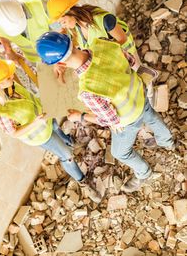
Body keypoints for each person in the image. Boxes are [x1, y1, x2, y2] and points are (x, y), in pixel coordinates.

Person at [36, 32, 175, 193]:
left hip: (129, 117)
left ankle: (144, 173)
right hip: (139, 93)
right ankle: (168, 142)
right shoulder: (102, 44)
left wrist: (79, 116)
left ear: (60, 63)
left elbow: (109, 119)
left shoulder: (88, 90)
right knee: (151, 117)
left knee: (120, 152)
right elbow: (130, 61)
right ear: (71, 42)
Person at [0, 57, 100, 203]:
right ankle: (83, 181)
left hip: (45, 118)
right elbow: (14, 133)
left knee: (56, 128)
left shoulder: (8, 86)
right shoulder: (1, 112)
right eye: (8, 76)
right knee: (66, 155)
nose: (12, 76)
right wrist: (36, 122)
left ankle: (70, 142)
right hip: (40, 135)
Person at [0, 0, 51, 65]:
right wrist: (9, 51)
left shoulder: (42, 4)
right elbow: (1, 35)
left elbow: (61, 26)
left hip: (57, 51)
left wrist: (58, 56)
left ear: (22, 9)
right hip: (35, 59)